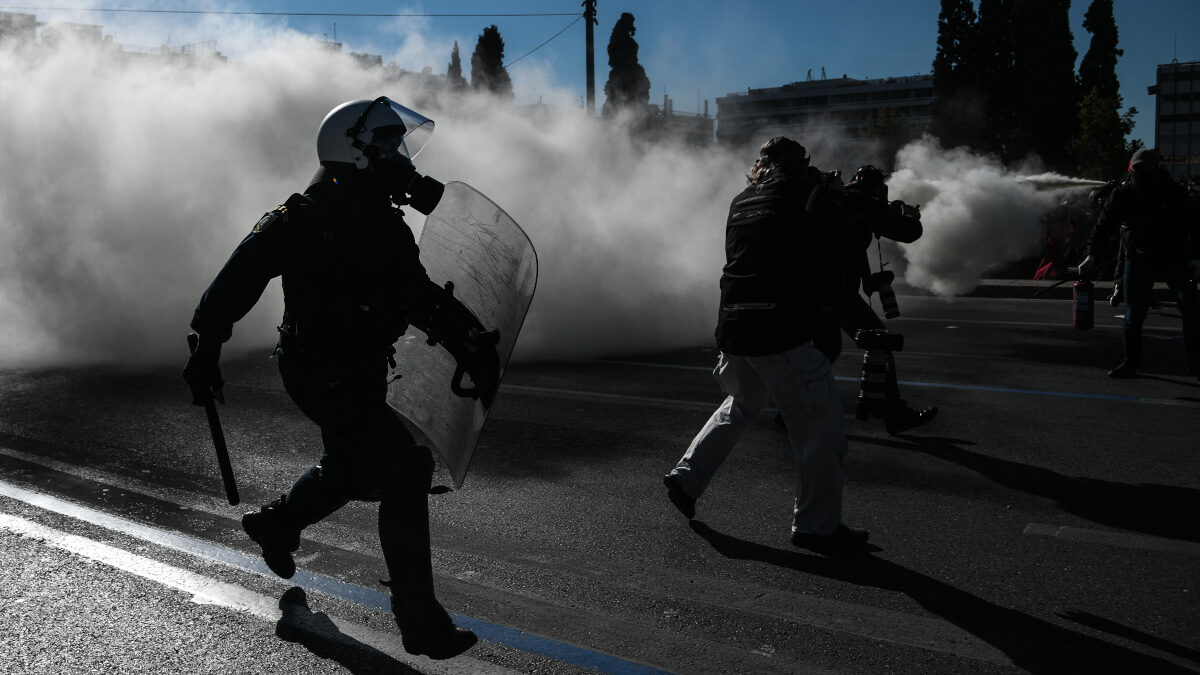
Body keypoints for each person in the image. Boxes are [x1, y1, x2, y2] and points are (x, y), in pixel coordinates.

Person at [182, 97, 478, 659]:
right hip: (316, 369)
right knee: (401, 463)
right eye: (388, 146)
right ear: (354, 149)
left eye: (398, 145)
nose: (400, 159)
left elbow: (418, 297)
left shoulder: (389, 227)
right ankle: (419, 619)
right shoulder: (302, 218)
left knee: (348, 467)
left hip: (363, 367)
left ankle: (277, 525)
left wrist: (471, 337)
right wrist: (206, 345)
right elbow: (235, 281)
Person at [662, 137, 868, 549]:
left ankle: (687, 477)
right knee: (819, 430)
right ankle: (816, 527)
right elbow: (845, 245)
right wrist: (835, 197)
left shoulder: (741, 200)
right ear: (801, 165)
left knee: (742, 404)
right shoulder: (809, 195)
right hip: (781, 331)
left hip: (735, 329)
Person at [818, 165, 937, 433]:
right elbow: (908, 233)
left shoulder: (839, 199)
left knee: (825, 350)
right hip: (837, 290)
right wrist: (911, 216)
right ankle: (893, 412)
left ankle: (791, 409)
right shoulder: (865, 202)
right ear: (876, 187)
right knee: (880, 341)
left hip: (815, 290)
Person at [1078, 149, 1200, 379]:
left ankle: (1195, 362)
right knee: (1133, 315)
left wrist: (1196, 258)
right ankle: (1130, 363)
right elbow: (1104, 226)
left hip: (1173, 256)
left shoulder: (1173, 192)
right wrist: (1092, 255)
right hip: (1139, 257)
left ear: (1156, 169)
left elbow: (1195, 225)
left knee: (1190, 309)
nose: (1142, 174)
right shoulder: (1124, 193)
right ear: (1131, 170)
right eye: (1138, 169)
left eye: (1145, 169)